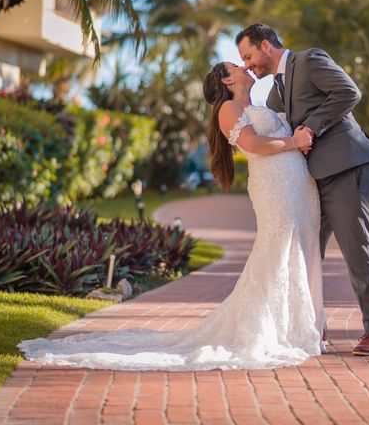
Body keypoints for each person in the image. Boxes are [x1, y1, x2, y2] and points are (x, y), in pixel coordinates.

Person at [18, 62, 325, 371]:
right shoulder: (228, 109)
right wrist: (293, 142)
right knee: (276, 248)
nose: (245, 65)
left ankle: (293, 326)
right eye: (236, 64)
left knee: (293, 249)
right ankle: (269, 329)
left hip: (293, 187)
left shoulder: (256, 105)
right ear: (228, 80)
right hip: (273, 187)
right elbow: (253, 144)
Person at [236, 23, 369, 355]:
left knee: (358, 248)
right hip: (313, 181)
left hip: (347, 166)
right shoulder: (275, 91)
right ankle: (313, 328)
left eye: (248, 56)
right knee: (302, 252)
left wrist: (311, 126)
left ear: (265, 45)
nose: (248, 64)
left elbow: (349, 92)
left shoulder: (309, 60)